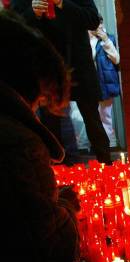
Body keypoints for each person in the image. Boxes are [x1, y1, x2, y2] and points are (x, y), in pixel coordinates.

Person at [0, 10, 79, 262]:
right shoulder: (14, 142)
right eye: (38, 102)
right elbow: (44, 260)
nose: (36, 111)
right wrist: (64, 208)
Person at [12, 0, 112, 164]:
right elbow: (14, 26)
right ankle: (60, 174)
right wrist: (33, 13)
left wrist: (62, 4)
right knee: (51, 123)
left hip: (79, 64)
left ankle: (107, 169)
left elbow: (93, 19)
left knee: (92, 119)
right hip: (46, 66)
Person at [91, 16, 120, 148]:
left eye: (100, 24)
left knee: (106, 116)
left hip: (106, 83)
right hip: (91, 83)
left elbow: (116, 59)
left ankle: (107, 144)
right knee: (90, 116)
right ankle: (93, 144)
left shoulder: (110, 38)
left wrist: (105, 40)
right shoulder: (86, 40)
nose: (98, 27)